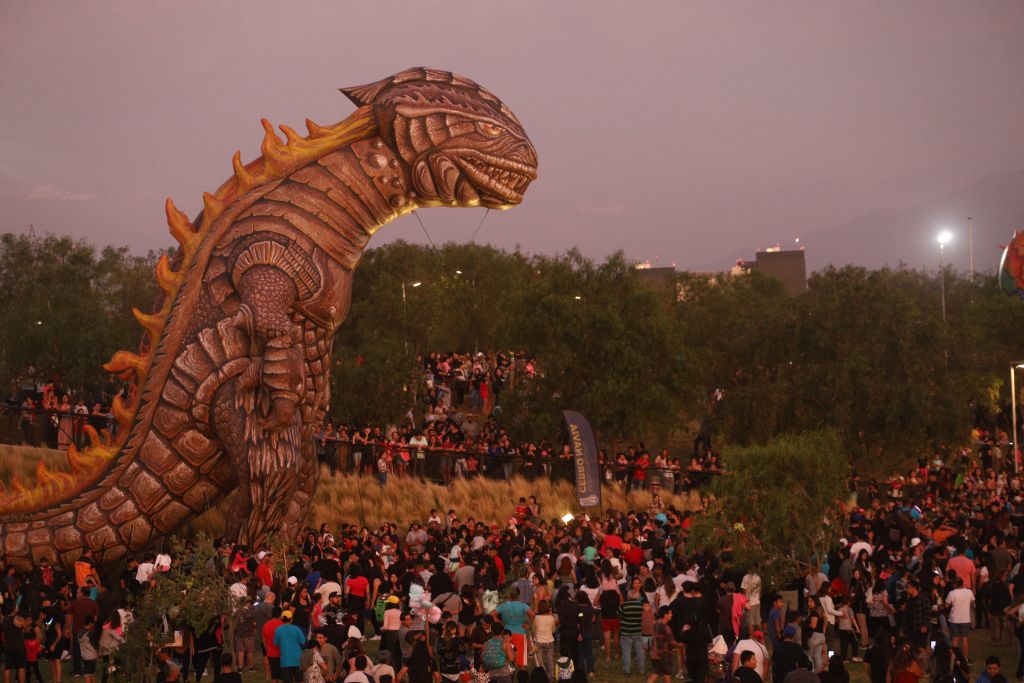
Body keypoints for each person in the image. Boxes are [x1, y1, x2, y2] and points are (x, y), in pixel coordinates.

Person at [274, 610, 307, 683]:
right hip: (297, 659)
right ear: (291, 619)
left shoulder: (278, 630)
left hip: (285, 660)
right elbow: (303, 641)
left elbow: (275, 643)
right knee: (300, 680)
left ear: (282, 619)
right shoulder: (296, 629)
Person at [647, 606, 676, 683]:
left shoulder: (656, 623)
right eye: (670, 613)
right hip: (663, 654)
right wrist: (682, 645)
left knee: (656, 673)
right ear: (665, 614)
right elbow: (672, 641)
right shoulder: (665, 627)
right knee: (667, 673)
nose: (671, 615)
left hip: (654, 652)